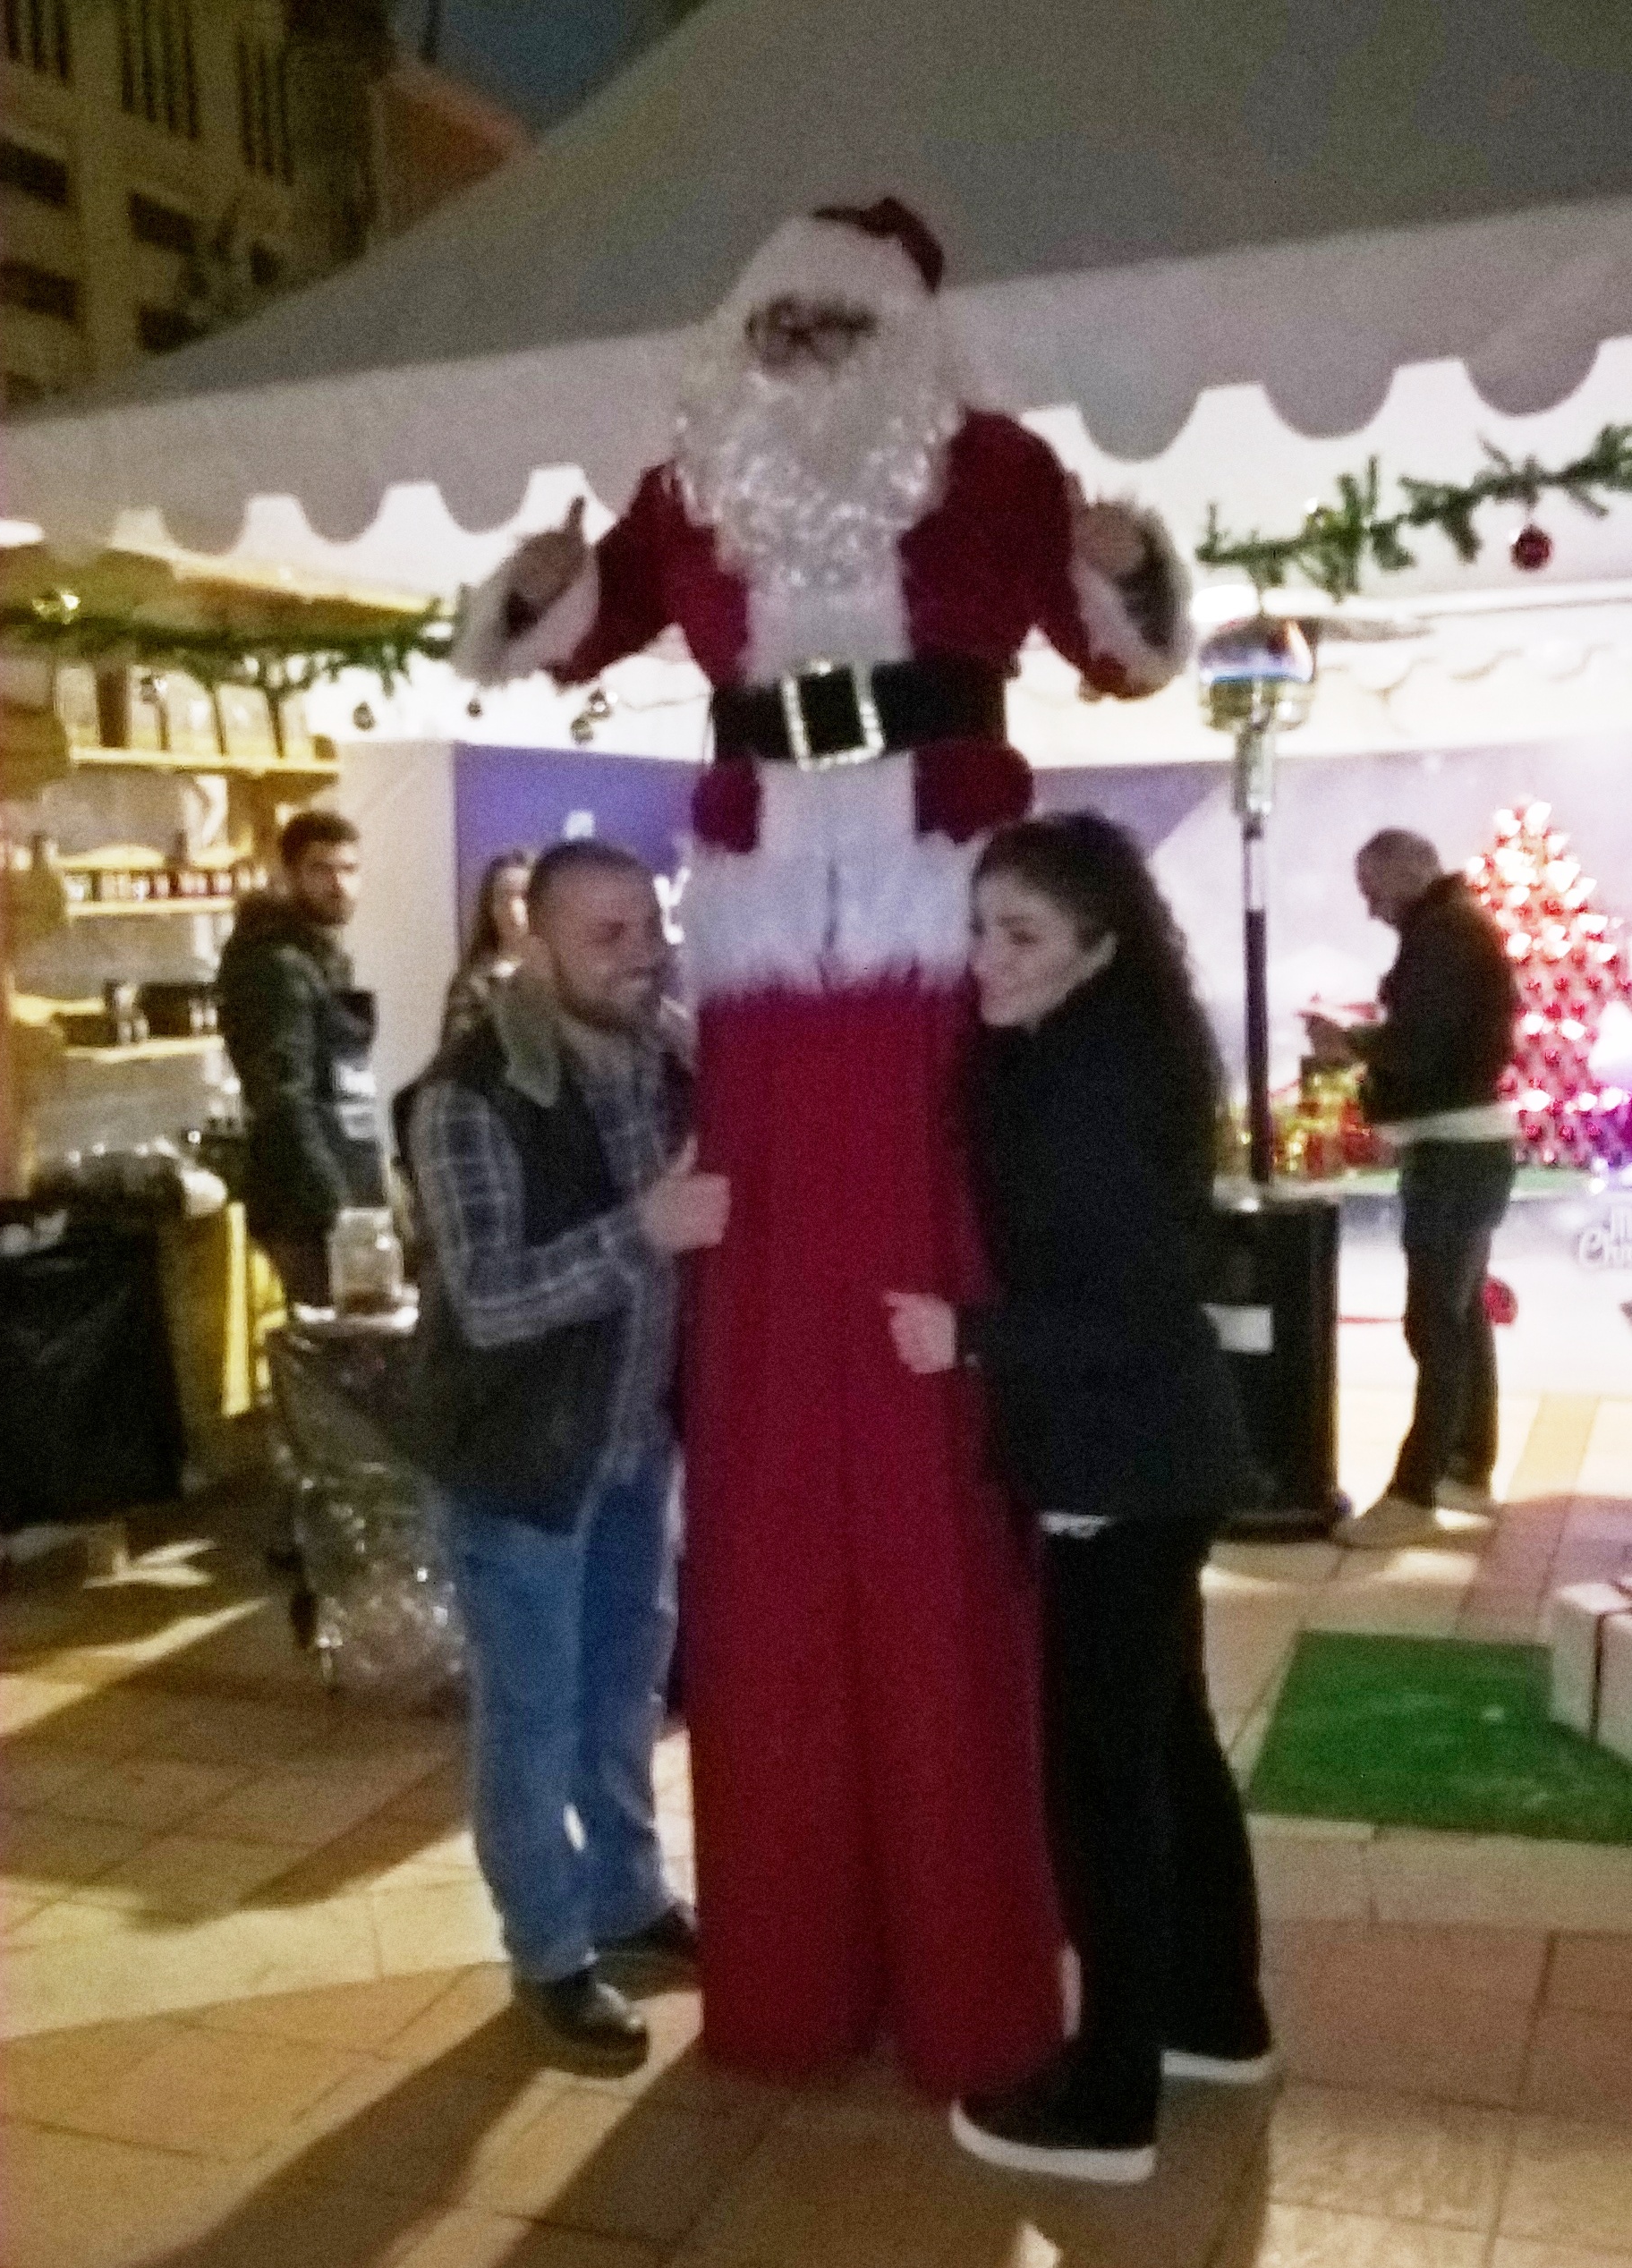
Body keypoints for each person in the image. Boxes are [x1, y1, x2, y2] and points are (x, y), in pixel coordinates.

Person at [454, 199, 1191, 2098]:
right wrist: (534, 590)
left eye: (829, 322)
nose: (796, 352)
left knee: (933, 1369)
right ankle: (788, 1950)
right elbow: (545, 637)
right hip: (771, 941)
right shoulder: (689, 493)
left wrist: (1129, 576)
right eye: (772, 321)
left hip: (937, 917)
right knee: (779, 1398)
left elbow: (1120, 650)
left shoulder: (996, 471)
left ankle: (968, 1955)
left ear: (901, 335)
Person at [886, 813, 1271, 2184]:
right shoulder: (1094, 1050)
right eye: (980, 927)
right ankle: (1214, 2014)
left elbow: (1140, 1299)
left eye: (1023, 933)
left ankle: (1110, 2099)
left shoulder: (1087, 1083)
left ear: (1097, 947)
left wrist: (970, 1334)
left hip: (1124, 1465)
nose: (986, 957)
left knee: (1103, 1783)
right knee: (1167, 1746)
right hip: (1156, 1458)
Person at [399, 839, 727, 2064]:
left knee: (623, 1689)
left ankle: (626, 1898)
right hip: (521, 1458)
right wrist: (647, 1229)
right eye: (607, 935)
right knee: (532, 1715)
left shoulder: (668, 1055)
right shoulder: (469, 1093)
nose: (643, 954)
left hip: (633, 1444)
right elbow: (487, 1299)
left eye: (650, 925)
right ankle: (547, 1948)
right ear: (534, 945)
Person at [1305, 828, 1518, 1549]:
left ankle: (1414, 1491)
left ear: (1409, 873)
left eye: (1373, 892)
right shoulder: (1456, 929)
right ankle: (1466, 1466)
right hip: (1467, 1148)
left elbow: (1422, 1045)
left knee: (1434, 1323)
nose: (1371, 909)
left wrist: (1350, 1044)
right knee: (1460, 1316)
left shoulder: (1445, 935)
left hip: (1454, 1153)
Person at [216, 809, 385, 1308]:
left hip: (340, 1177)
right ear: (289, 875)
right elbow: (283, 1099)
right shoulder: (275, 964)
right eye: (321, 870)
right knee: (341, 1338)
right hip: (309, 1202)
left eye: (349, 869)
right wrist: (337, 1210)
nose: (339, 884)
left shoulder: (315, 956)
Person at [441, 849, 534, 1044]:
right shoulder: (473, 984)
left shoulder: (564, 977)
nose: (514, 910)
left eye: (524, 897)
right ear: (490, 908)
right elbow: (457, 1053)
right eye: (503, 897)